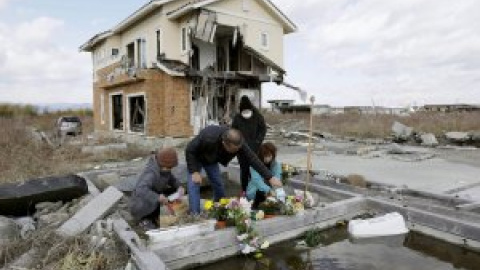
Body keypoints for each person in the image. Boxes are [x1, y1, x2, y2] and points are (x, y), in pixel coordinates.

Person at [185, 125, 282, 214]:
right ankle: (195, 214)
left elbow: (252, 159)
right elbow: (189, 150)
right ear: (224, 143)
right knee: (194, 184)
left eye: (238, 149)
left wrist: (270, 177)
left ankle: (219, 209)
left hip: (211, 159)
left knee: (218, 184)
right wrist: (194, 171)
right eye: (233, 150)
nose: (236, 151)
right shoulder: (208, 136)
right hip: (196, 157)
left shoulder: (239, 143)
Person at [130, 148, 185, 229]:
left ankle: (157, 216)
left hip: (154, 196)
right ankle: (144, 220)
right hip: (140, 204)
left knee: (172, 193)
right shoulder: (151, 173)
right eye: (169, 167)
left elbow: (171, 179)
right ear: (162, 164)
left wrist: (179, 186)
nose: (170, 169)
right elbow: (140, 189)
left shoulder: (164, 168)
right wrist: (157, 197)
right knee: (150, 206)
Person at [232, 96, 267, 192]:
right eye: (244, 112)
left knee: (255, 170)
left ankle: (257, 190)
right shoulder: (237, 118)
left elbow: (263, 129)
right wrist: (237, 143)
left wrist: (258, 141)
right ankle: (244, 190)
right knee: (244, 171)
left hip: (255, 148)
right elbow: (233, 131)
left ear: (251, 109)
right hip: (241, 149)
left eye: (247, 111)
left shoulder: (258, 117)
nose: (246, 114)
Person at [246, 142, 283, 209]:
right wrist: (269, 191)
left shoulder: (276, 165)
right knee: (260, 194)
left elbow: (277, 179)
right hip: (255, 191)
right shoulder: (255, 165)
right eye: (265, 156)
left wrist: (275, 191)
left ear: (273, 155)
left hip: (272, 192)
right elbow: (257, 181)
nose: (267, 158)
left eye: (269, 156)